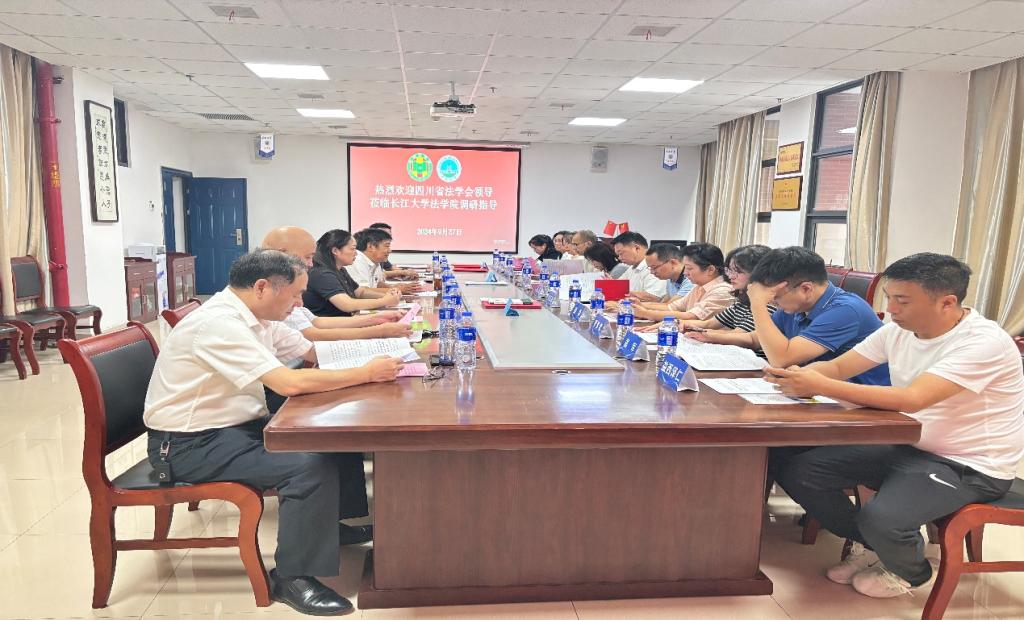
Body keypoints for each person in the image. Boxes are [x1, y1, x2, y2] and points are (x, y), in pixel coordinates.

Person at [144, 249, 404, 616]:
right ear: (263, 287)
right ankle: (291, 577)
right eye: (295, 295)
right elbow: (287, 383)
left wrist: (386, 347)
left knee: (332, 434)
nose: (300, 304)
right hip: (188, 445)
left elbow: (313, 352)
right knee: (307, 467)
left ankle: (330, 527)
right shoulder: (219, 324)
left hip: (232, 428)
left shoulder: (259, 317)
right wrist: (366, 373)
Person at [767, 253, 1024, 599]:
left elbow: (913, 399)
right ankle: (875, 546)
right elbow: (839, 368)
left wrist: (819, 385)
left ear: (947, 302)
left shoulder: (983, 343)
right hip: (909, 444)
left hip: (969, 465)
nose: (890, 309)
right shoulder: (898, 331)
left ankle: (912, 571)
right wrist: (794, 376)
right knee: (800, 471)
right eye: (889, 297)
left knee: (882, 518)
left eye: (902, 301)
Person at [746, 246, 890, 385]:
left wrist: (757, 304)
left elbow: (782, 359)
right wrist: (729, 338)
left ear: (806, 289)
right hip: (819, 389)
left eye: (775, 297)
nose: (770, 302)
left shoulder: (845, 310)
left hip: (860, 396)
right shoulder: (796, 306)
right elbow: (756, 338)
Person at [262, 226, 411, 341]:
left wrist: (378, 318)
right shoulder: (320, 274)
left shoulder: (339, 269)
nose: (310, 264)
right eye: (308, 257)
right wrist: (379, 327)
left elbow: (316, 322)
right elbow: (345, 307)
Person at [682, 244, 776, 357]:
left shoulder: (769, 304)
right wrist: (683, 324)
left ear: (759, 273)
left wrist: (704, 334)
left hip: (755, 360)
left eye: (738, 271)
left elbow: (740, 334)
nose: (731, 276)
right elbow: (709, 323)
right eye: (730, 270)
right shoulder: (742, 300)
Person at [303, 229, 401, 317]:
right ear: (335, 251)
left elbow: (360, 292)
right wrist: (384, 301)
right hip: (332, 326)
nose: (356, 253)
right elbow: (347, 304)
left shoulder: (341, 270)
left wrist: (387, 296)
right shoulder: (322, 274)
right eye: (353, 248)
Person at [633, 242, 731, 324]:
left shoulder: (722, 290)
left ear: (710, 269)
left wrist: (645, 313)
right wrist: (641, 306)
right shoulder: (698, 287)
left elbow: (691, 316)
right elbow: (672, 307)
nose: (685, 273)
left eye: (689, 268)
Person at [348, 228, 421, 294]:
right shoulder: (357, 260)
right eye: (387, 246)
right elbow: (363, 291)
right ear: (371, 246)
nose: (390, 250)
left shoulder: (375, 261)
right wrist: (397, 289)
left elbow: (377, 283)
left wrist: (393, 287)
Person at [609, 231, 667, 301]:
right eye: (618, 255)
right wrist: (610, 284)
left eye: (621, 253)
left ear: (637, 248)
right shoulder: (632, 267)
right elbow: (619, 285)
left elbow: (654, 296)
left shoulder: (654, 266)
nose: (619, 258)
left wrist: (625, 293)